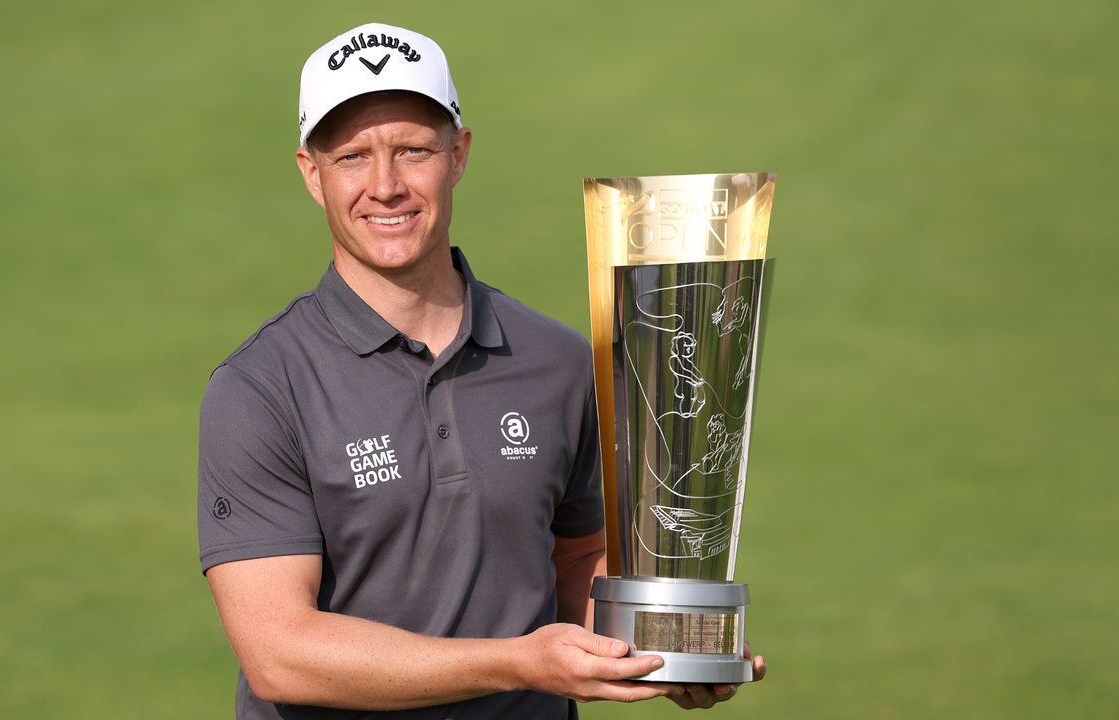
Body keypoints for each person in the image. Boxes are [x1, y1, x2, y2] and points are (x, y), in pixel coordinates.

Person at [197, 22, 765, 719]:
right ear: (312, 174)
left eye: (412, 150)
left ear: (458, 154)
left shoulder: (558, 361)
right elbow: (280, 653)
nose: (385, 185)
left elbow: (575, 563)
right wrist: (515, 662)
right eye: (351, 157)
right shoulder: (261, 388)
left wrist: (669, 645)